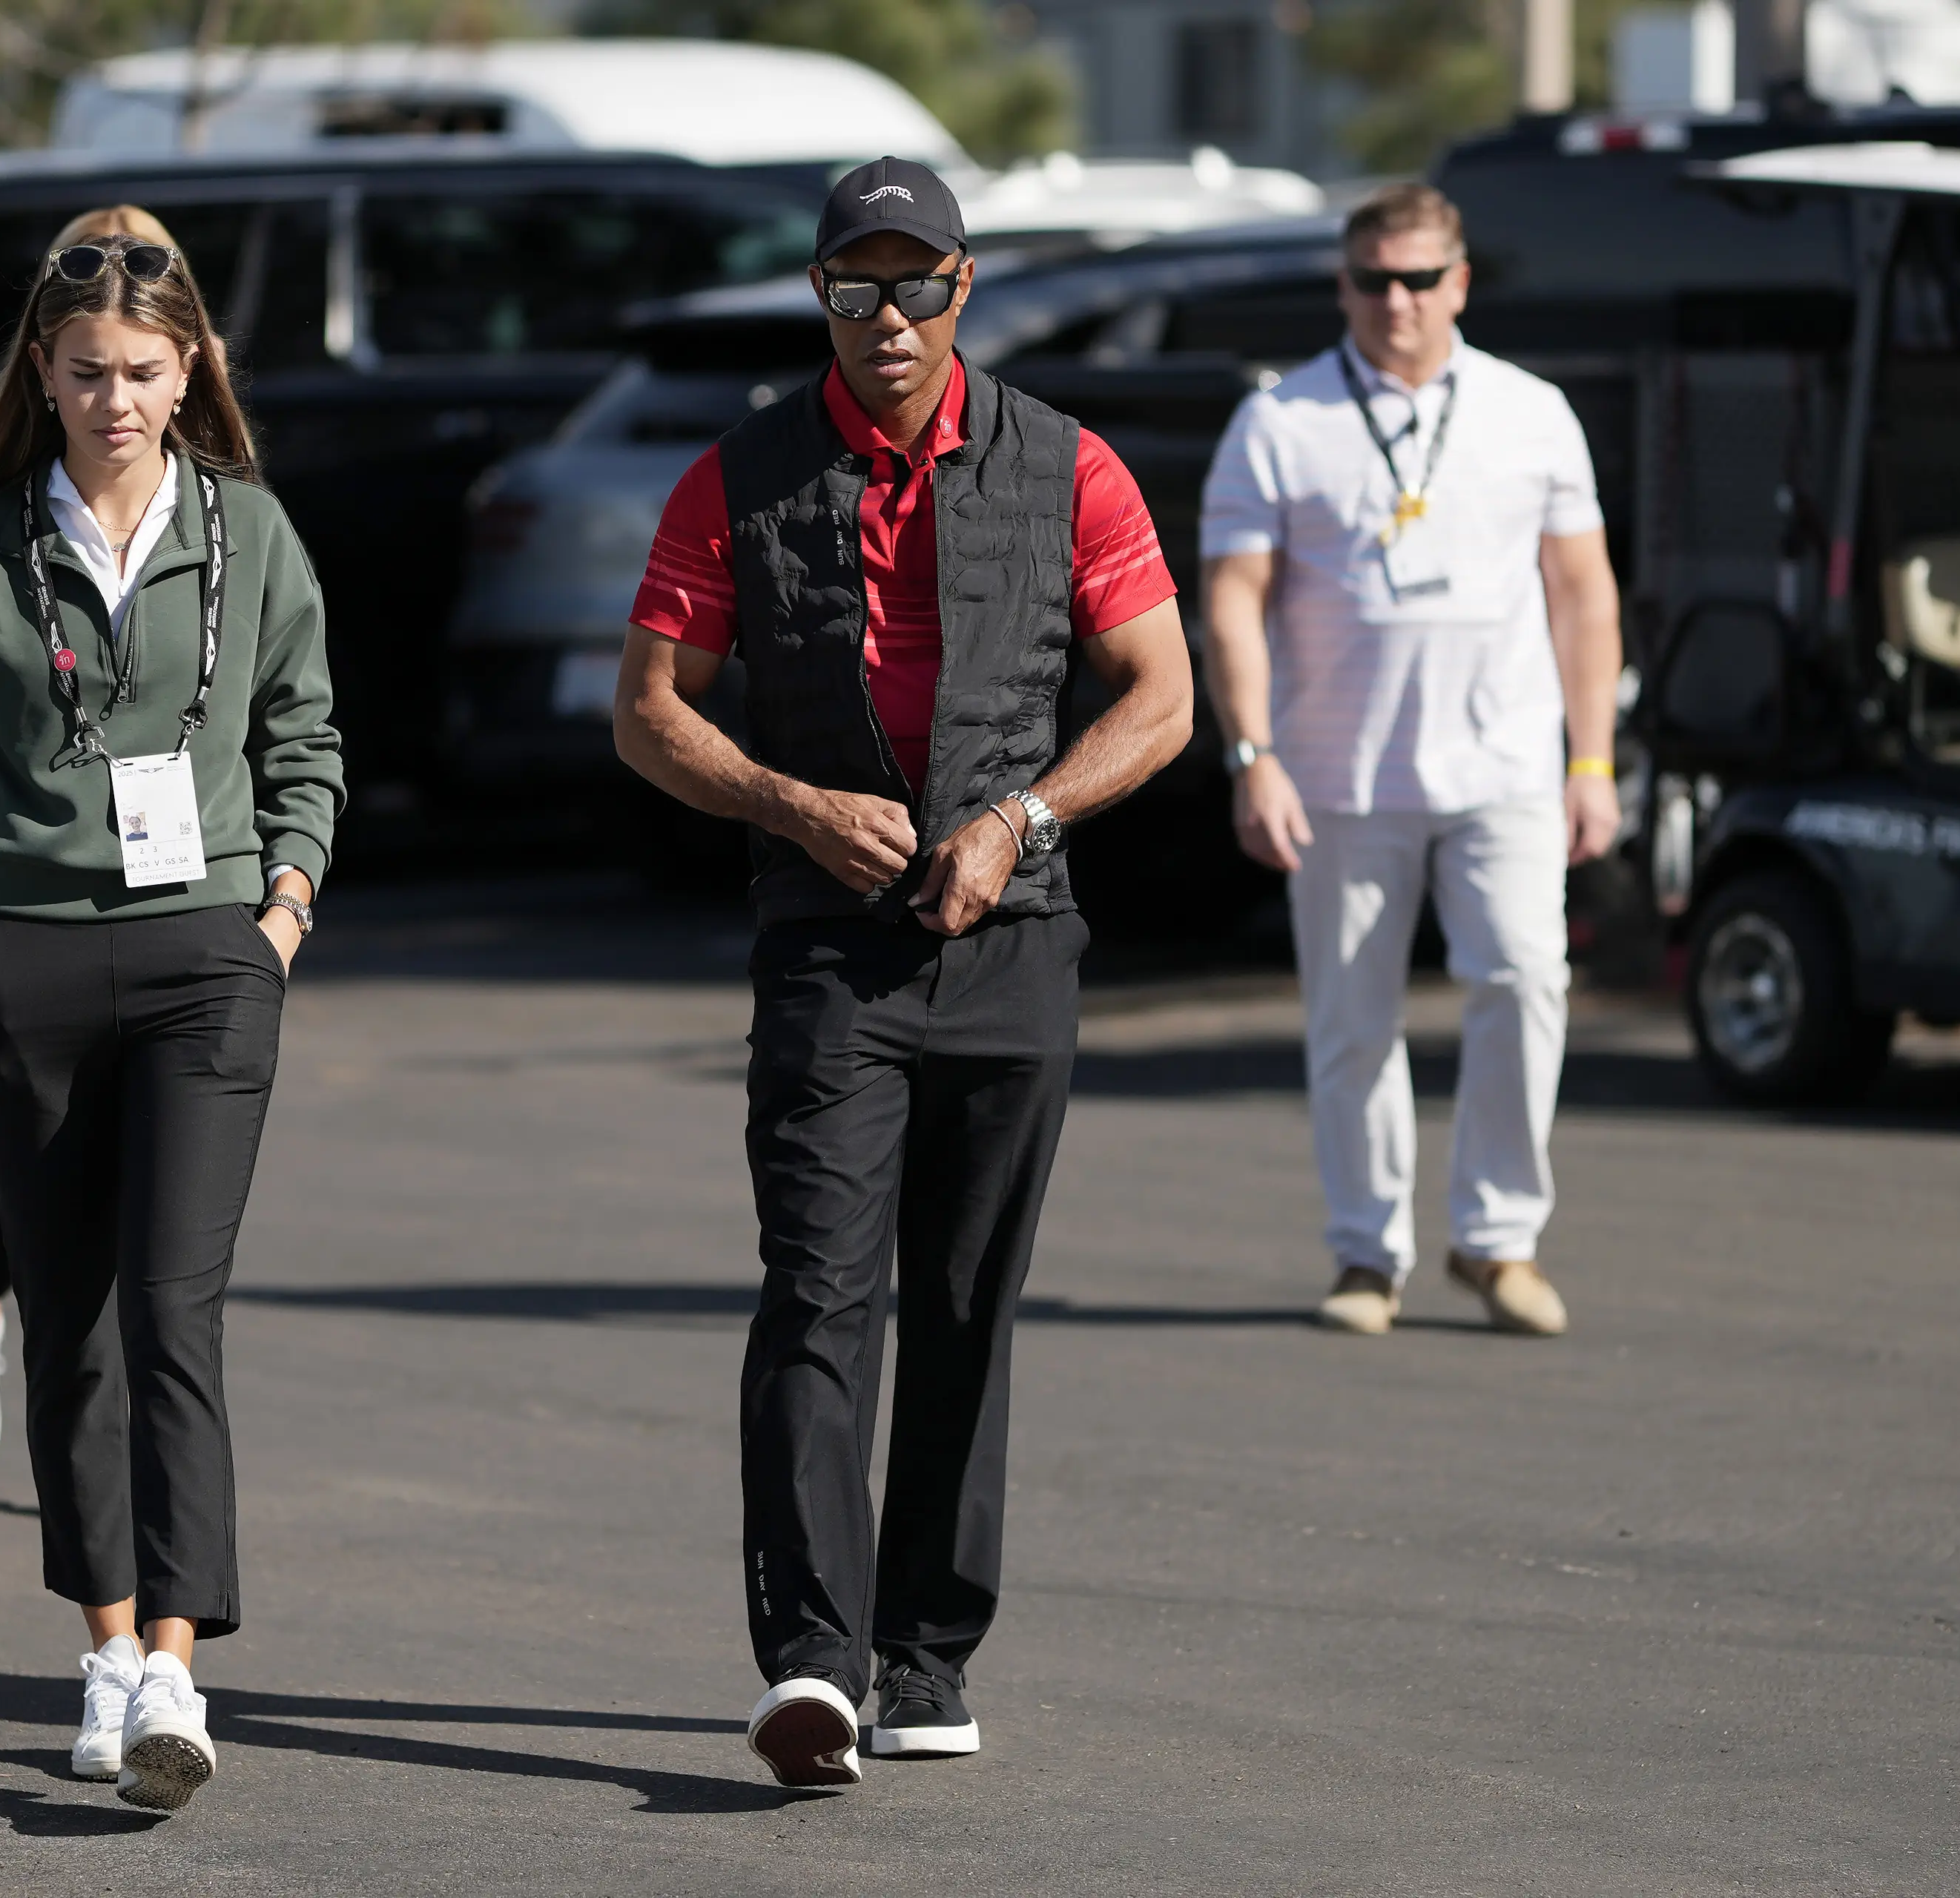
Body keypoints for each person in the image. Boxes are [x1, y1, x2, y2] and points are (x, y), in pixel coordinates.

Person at [613, 156, 1192, 1789]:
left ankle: (926, 1653)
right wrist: (790, 803)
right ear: (818, 294)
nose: (889, 315)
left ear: (965, 285)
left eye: (918, 282)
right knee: (818, 1289)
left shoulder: (1066, 466)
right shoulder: (739, 476)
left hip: (1015, 939)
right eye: (857, 285)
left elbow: (1159, 697)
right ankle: (811, 1660)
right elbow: (650, 712)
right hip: (827, 953)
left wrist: (1022, 814)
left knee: (961, 1306)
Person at [0, 225, 342, 1810]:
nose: (115, 399)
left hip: (209, 962)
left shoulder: (251, 532)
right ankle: (109, 1651)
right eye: (85, 375)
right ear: (41, 381)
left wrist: (281, 914)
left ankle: (180, 1676)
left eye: (142, 372)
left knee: (171, 1315)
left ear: (187, 368)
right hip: (28, 969)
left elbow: (306, 740)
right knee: (69, 1332)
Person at [1197, 182, 1623, 1341]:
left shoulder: (1532, 413)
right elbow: (1233, 602)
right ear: (1343, 287)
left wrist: (1593, 763)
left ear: (1461, 283)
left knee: (1525, 981)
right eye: (1376, 279)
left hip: (1507, 767)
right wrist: (1254, 754)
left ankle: (1499, 1240)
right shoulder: (1279, 421)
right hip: (1338, 775)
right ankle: (1366, 1252)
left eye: (1421, 278)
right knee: (1353, 1020)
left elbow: (1582, 594)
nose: (1400, 301)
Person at [0, 205, 205, 1476]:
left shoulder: (206, 444)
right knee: (42, 1122)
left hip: (172, 838)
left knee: (153, 1146)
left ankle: (109, 1430)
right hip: (20, 822)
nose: (116, 393)